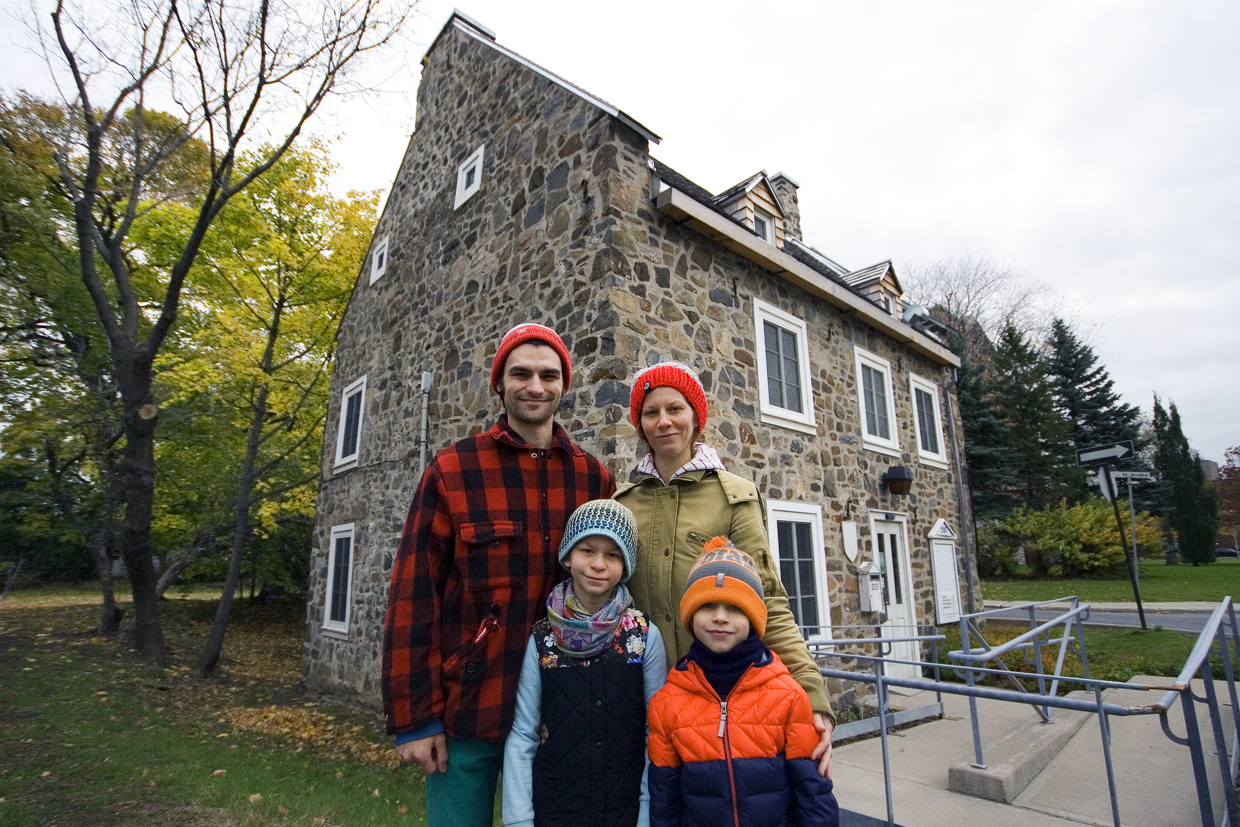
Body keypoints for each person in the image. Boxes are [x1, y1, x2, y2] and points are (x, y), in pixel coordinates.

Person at [383, 322, 615, 827]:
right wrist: (414, 717)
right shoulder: (452, 469)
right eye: (521, 374)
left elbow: (612, 591)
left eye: (548, 375)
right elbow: (412, 594)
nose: (536, 386)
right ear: (500, 383)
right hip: (470, 708)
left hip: (560, 714)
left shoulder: (594, 478)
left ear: (564, 386)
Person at [614, 361, 836, 777]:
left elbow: (767, 598)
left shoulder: (734, 497)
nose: (664, 422)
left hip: (722, 700)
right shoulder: (622, 503)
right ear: (640, 425)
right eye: (651, 412)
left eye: (675, 409)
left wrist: (811, 694)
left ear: (696, 417)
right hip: (642, 699)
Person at [646, 538, 840, 827]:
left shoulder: (788, 695)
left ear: (753, 617)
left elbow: (814, 795)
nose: (720, 618)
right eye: (708, 605)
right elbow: (665, 802)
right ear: (690, 614)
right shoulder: (666, 704)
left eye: (735, 608)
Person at [502, 499, 668, 827]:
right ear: (567, 555)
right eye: (587, 550)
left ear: (626, 564)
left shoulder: (644, 637)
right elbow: (523, 733)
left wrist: (648, 815)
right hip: (556, 809)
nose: (598, 565)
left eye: (612, 554)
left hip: (625, 809)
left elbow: (657, 734)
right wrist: (519, 819)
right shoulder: (543, 638)